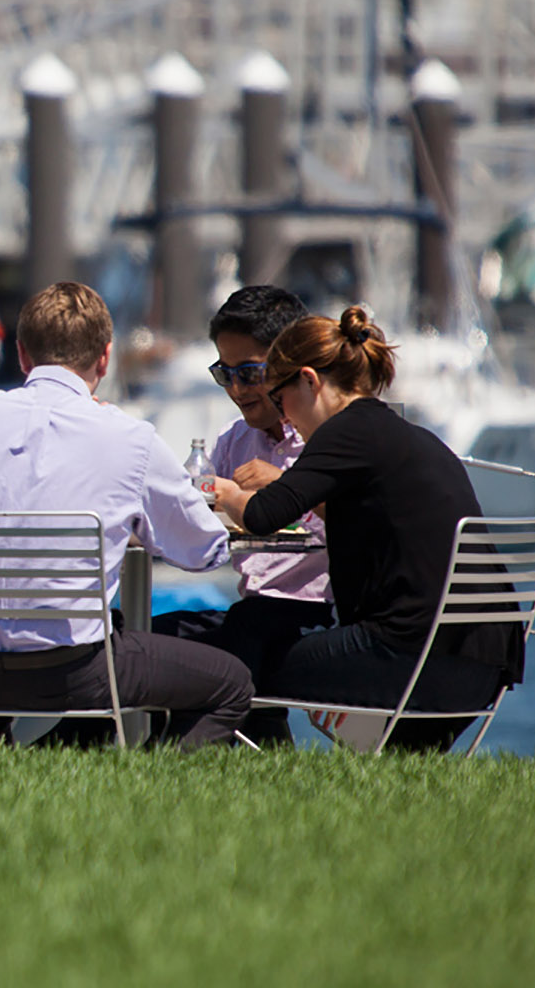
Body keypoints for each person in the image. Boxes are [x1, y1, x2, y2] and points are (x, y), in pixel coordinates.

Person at [0, 282, 251, 750]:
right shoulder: (128, 437)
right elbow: (202, 552)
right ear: (106, 356)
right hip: (66, 672)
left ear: (22, 353)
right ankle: (147, 791)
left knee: (78, 648)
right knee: (231, 684)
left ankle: (15, 764)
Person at [214, 307, 521, 751]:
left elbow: (262, 515)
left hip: (410, 660)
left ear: (308, 380)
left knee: (237, 659)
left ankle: (253, 767)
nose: (285, 418)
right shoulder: (404, 434)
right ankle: (360, 756)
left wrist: (217, 490)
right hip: (479, 662)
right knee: (256, 630)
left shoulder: (344, 432)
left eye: (281, 400)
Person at [152, 285, 334, 745]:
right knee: (146, 636)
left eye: (250, 373)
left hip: (321, 611)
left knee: (243, 635)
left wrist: (285, 489)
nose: (236, 389)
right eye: (224, 373)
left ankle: (186, 749)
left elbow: (363, 519)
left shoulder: (327, 436)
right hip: (253, 607)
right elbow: (196, 528)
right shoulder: (234, 442)